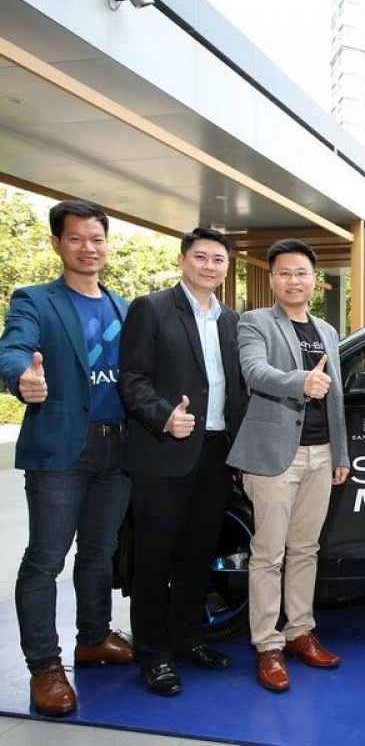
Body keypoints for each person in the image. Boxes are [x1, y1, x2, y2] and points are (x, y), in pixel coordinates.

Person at [0, 200, 134, 717]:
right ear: (57, 243)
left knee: (100, 553)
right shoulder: (35, 299)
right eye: (76, 238)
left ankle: (94, 638)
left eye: (96, 238)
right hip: (62, 450)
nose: (88, 248)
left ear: (107, 243)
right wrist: (22, 377)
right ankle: (44, 666)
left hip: (118, 448)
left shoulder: (124, 306)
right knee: (46, 559)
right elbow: (14, 349)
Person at [117, 227, 247, 696]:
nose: (210, 266)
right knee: (155, 557)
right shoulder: (151, 309)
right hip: (163, 454)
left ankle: (190, 638)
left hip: (215, 454)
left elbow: (235, 389)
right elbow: (132, 379)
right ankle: (154, 654)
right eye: (201, 257)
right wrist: (163, 416)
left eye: (218, 260)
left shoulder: (231, 320)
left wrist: (241, 450)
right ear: (182, 259)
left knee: (197, 554)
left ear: (227, 267)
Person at [226, 239, 350, 692]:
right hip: (275, 456)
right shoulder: (255, 322)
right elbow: (255, 372)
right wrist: (302, 381)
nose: (293, 280)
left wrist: (340, 453)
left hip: (320, 454)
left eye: (301, 273)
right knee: (268, 554)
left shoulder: (328, 330)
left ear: (315, 280)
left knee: (305, 550)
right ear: (272, 278)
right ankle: (267, 644)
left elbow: (335, 397)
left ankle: (300, 631)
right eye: (284, 272)